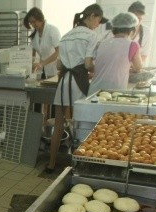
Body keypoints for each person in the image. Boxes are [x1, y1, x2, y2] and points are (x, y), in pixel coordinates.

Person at [46, 4, 106, 173]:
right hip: (79, 83)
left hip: (64, 82)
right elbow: (87, 64)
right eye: (98, 20)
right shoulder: (92, 36)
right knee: (81, 125)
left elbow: (59, 64)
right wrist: (97, 68)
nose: (98, 24)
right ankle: (79, 165)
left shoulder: (65, 36)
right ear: (92, 16)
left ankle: (51, 164)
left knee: (58, 124)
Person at [88, 12, 143, 95]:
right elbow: (139, 67)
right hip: (114, 93)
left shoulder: (102, 43)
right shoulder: (132, 44)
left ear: (113, 29)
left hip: (94, 91)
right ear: (133, 30)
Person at [24, 7, 61, 79]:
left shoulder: (52, 30)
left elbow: (58, 52)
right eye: (31, 23)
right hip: (41, 71)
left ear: (40, 18)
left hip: (53, 70)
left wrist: (42, 63)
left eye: (34, 22)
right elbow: (33, 53)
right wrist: (30, 64)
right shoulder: (34, 33)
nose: (33, 25)